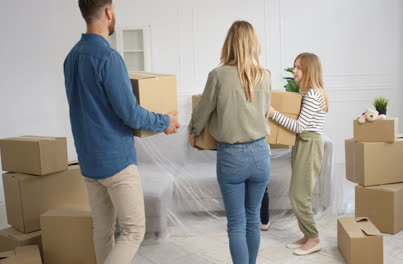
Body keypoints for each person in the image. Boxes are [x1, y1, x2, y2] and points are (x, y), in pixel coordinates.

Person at [64, 1, 180, 263]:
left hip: (89, 162)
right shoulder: (109, 58)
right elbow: (130, 113)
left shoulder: (71, 57)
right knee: (133, 231)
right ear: (108, 11)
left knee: (103, 230)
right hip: (116, 161)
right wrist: (165, 121)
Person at [189, 20, 271, 264]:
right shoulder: (265, 76)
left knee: (236, 222)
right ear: (253, 44)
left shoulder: (218, 75)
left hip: (231, 156)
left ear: (230, 44)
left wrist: (194, 132)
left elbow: (203, 111)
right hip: (260, 155)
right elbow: (264, 112)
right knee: (253, 218)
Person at [268, 52, 329, 256]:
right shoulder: (309, 93)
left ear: (309, 70)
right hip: (303, 144)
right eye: (294, 66)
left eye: (298, 67)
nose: (294, 71)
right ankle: (306, 234)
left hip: (308, 144)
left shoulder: (313, 95)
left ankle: (314, 237)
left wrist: (274, 114)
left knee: (299, 195)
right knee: (299, 193)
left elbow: (300, 127)